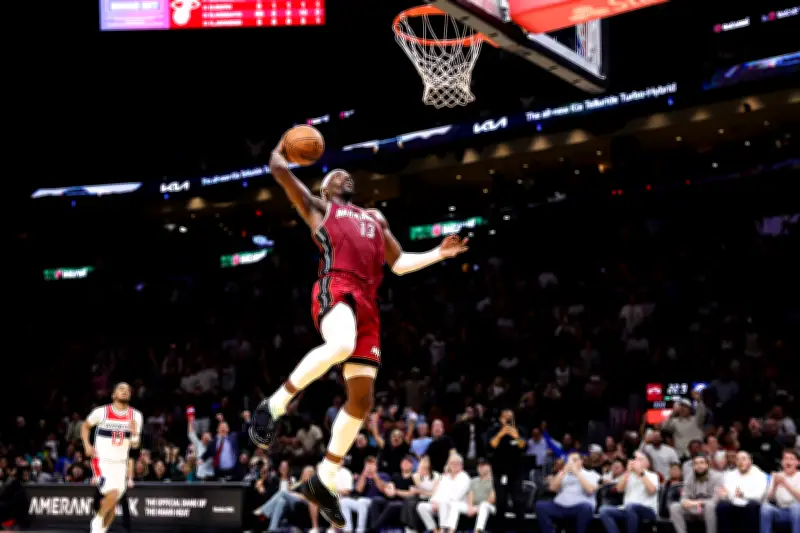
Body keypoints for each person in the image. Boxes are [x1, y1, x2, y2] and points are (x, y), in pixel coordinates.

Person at [250, 138, 469, 527]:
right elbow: (279, 170)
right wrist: (283, 146)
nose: (345, 175)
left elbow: (399, 263)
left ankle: (324, 478)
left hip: (368, 303)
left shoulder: (375, 219)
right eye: (337, 174)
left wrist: (439, 253)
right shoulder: (319, 209)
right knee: (341, 343)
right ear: (325, 188)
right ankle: (275, 405)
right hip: (337, 286)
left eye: (347, 173)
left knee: (362, 401)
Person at [81, 382, 143, 533]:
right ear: (113, 395)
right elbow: (85, 426)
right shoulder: (102, 412)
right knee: (112, 493)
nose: (125, 391)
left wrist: (135, 434)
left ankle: (99, 530)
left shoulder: (136, 416)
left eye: (128, 390)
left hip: (120, 464)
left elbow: (135, 445)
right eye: (121, 389)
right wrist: (87, 445)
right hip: (102, 461)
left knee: (113, 508)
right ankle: (96, 524)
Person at [535, 452, 600, 533]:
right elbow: (552, 488)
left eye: (574, 460)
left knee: (586, 508)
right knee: (540, 506)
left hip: (580, 508)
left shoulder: (591, 474)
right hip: (560, 507)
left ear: (581, 461)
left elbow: (590, 490)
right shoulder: (564, 475)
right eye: (569, 461)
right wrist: (563, 472)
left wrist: (577, 473)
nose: (571, 464)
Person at [598, 452, 659, 533]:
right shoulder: (628, 475)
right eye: (634, 459)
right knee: (603, 510)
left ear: (647, 463)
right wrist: (627, 472)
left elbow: (652, 490)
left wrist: (641, 473)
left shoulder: (652, 475)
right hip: (627, 509)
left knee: (631, 506)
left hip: (647, 510)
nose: (635, 461)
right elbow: (619, 489)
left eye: (639, 459)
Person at [487, 409, 526, 533]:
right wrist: (501, 434)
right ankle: (499, 529)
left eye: (510, 417)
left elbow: (524, 446)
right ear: (500, 419)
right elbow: (490, 446)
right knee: (501, 502)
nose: (508, 419)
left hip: (516, 472)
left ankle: (520, 529)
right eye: (505, 417)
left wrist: (517, 437)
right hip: (499, 472)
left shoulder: (520, 429)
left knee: (518, 502)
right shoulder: (494, 430)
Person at [668, 454, 722, 533]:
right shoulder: (690, 477)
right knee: (674, 507)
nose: (699, 466)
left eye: (701, 463)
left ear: (708, 465)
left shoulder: (717, 477)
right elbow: (683, 497)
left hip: (707, 508)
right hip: (693, 508)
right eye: (696, 464)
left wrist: (699, 502)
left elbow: (716, 499)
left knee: (710, 506)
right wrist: (685, 502)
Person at [760, 449, 800, 533]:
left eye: (791, 459)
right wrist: (774, 485)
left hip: (797, 512)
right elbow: (769, 499)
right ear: (782, 462)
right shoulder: (777, 476)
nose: (788, 461)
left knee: (796, 507)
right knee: (765, 508)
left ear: (798, 462)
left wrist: (785, 483)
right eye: (785, 459)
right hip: (780, 511)